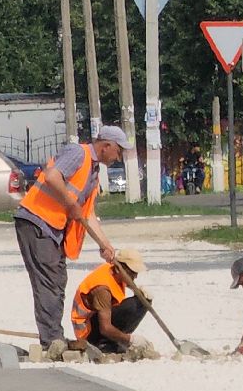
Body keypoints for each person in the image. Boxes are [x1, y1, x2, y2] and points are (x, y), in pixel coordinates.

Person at [14, 126, 125, 356]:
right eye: (118, 151)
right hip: (36, 221)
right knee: (48, 281)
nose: (119, 157)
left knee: (57, 280)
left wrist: (105, 245)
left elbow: (87, 214)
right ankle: (51, 341)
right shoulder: (78, 153)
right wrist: (69, 203)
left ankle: (54, 335)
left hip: (53, 228)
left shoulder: (93, 174)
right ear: (106, 146)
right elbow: (52, 176)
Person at [70, 249, 150, 356]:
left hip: (98, 318)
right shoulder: (102, 289)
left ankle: (115, 340)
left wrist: (137, 290)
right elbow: (105, 328)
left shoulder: (113, 271)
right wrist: (130, 340)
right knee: (133, 306)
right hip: (87, 332)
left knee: (143, 301)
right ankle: (104, 344)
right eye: (132, 273)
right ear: (119, 268)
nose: (135, 276)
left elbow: (124, 280)